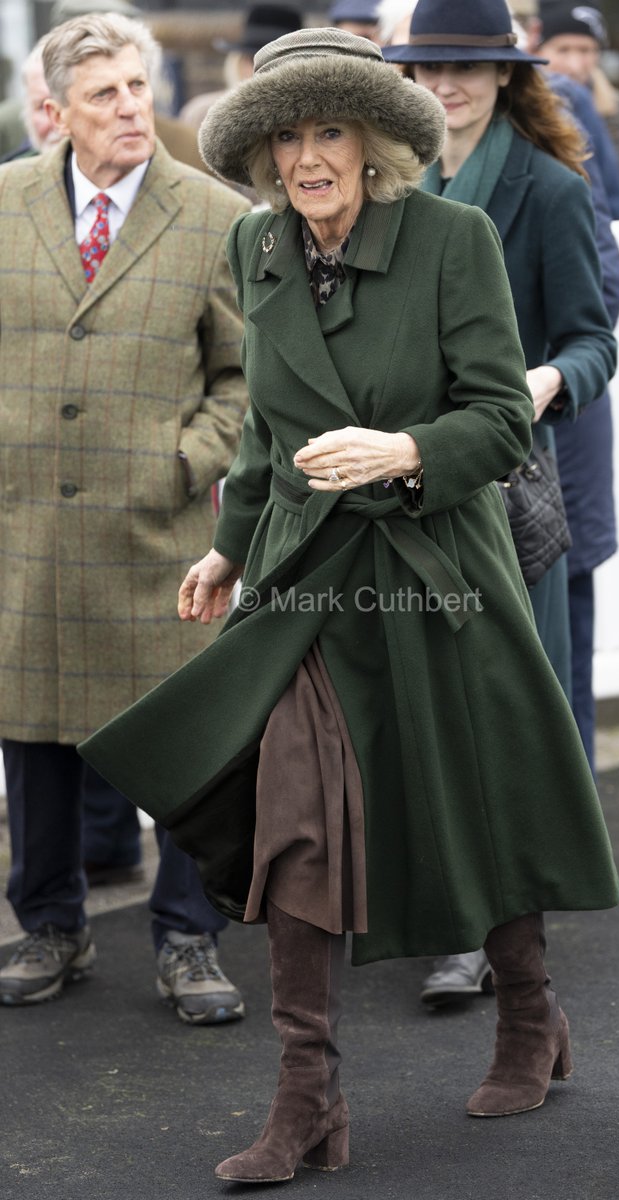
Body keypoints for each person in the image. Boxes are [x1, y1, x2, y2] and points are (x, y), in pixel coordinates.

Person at [80, 24, 619, 1183]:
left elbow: (499, 413)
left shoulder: (453, 239)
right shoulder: (257, 250)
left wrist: (403, 450)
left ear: (373, 143)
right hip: (305, 581)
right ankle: (308, 1097)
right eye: (285, 135)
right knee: (298, 826)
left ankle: (530, 1016)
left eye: (328, 129)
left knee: (482, 802)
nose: (305, 156)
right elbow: (271, 432)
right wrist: (229, 550)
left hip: (435, 580)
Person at [0, 12, 250, 1025]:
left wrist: (182, 462)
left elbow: (246, 377)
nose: (132, 110)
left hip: (160, 533)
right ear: (56, 110)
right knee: (37, 738)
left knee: (184, 741)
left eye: (140, 88)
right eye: (107, 94)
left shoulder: (216, 214)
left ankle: (189, 937)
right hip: (27, 534)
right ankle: (50, 925)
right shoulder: (5, 203)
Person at [384, 0, 617, 1005]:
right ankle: (455, 915)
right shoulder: (401, 183)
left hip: (513, 485)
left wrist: (542, 382)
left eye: (467, 68)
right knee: (434, 708)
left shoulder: (551, 187)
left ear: (507, 73)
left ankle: (498, 940)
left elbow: (594, 341)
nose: (444, 87)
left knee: (511, 710)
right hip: (412, 484)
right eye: (428, 70)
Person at [536, 0, 619, 217]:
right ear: (538, 49)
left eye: (586, 50)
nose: (575, 65)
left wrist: (610, 226)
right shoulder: (518, 112)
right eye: (563, 50)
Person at [179, 4, 302, 133]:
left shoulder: (309, 119)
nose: (261, 70)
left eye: (275, 62)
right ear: (239, 62)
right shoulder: (202, 115)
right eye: (253, 60)